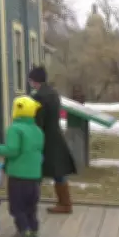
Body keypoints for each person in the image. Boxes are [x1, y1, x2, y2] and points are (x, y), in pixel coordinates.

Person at [0, 95, 45, 237]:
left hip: (18, 175)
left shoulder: (15, 129)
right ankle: (34, 235)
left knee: (17, 208)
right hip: (35, 175)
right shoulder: (38, 130)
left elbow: (13, 150)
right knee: (31, 208)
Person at [28, 66, 76, 214]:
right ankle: (65, 202)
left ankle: (30, 203)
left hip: (44, 138)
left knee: (36, 172)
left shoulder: (39, 97)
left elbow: (38, 121)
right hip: (56, 135)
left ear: (34, 81)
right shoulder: (53, 93)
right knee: (58, 171)